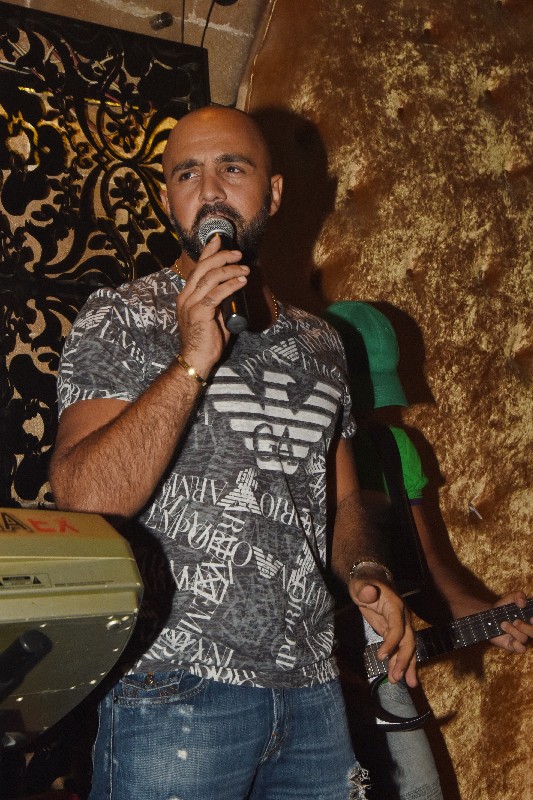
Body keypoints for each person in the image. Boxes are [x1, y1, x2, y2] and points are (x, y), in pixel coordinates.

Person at [48, 106, 417, 800]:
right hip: (173, 686)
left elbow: (341, 500)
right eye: (187, 174)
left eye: (232, 168)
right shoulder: (122, 315)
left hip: (312, 693)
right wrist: (192, 358)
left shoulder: (320, 342)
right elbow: (86, 497)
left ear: (272, 193)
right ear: (168, 201)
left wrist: (368, 571)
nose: (210, 189)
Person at [324, 300, 533, 800]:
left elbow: (431, 570)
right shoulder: (293, 441)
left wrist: (484, 614)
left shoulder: (395, 448)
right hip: (291, 683)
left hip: (380, 677)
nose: (367, 411)